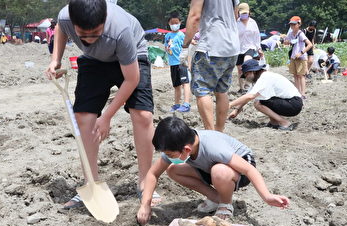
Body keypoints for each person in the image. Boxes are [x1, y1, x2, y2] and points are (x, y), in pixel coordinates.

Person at [45, 0, 159, 209]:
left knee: (142, 115)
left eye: (95, 33)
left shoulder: (120, 29)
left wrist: (106, 116)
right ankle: (90, 183)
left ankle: (145, 182)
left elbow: (131, 79)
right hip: (94, 60)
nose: (89, 39)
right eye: (83, 34)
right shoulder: (65, 16)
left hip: (132, 56)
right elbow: (61, 28)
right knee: (83, 118)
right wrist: (56, 59)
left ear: (104, 21)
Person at [136, 116, 289, 225]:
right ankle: (215, 197)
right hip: (210, 167)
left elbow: (249, 170)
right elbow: (152, 173)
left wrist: (267, 196)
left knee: (219, 171)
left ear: (186, 149)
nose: (168, 157)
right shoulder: (180, 143)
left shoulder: (214, 148)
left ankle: (226, 203)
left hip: (240, 168)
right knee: (173, 169)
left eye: (170, 154)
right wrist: (145, 204)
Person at [179, 0, 240, 132]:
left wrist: (185, 46)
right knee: (222, 91)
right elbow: (236, 16)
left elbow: (195, 16)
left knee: (202, 90)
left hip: (212, 45)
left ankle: (211, 134)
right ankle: (219, 131)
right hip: (232, 47)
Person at [228, 59, 302, 131]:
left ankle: (284, 123)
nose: (246, 78)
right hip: (291, 102)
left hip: (293, 103)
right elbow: (248, 95)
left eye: (246, 74)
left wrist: (230, 104)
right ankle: (274, 123)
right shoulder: (260, 78)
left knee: (258, 103)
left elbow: (250, 96)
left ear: (252, 71)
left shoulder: (265, 77)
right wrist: (236, 110)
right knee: (264, 99)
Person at [164, 12, 191, 112]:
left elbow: (187, 49)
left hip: (181, 63)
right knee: (176, 85)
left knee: (185, 83)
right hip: (172, 64)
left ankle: (186, 103)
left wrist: (189, 63)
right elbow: (167, 47)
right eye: (172, 23)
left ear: (180, 23)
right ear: (169, 23)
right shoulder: (167, 36)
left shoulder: (182, 35)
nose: (174, 25)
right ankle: (176, 104)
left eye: (176, 22)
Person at [235, 3, 263, 94]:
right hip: (238, 48)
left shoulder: (253, 22)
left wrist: (259, 48)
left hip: (250, 47)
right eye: (242, 13)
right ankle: (241, 88)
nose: (244, 15)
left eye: (245, 13)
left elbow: (257, 36)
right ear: (238, 13)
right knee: (239, 69)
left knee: (247, 64)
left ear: (249, 12)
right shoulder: (236, 22)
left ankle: (249, 86)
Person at [284, 16, 312, 99]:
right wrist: (288, 41)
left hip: (301, 57)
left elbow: (310, 44)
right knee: (295, 75)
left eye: (294, 24)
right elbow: (285, 42)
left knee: (301, 76)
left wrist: (301, 53)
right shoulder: (290, 33)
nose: (292, 26)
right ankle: (297, 92)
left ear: (299, 24)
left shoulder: (301, 34)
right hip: (293, 57)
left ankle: (303, 94)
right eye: (291, 25)